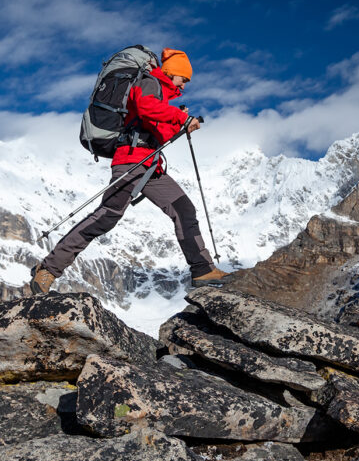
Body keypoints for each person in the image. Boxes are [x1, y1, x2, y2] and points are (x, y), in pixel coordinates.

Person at [30, 47, 227, 294]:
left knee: (184, 209)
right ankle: (48, 269)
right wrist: (179, 117)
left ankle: (203, 270)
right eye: (183, 78)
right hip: (131, 161)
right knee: (106, 216)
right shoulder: (150, 82)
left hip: (150, 164)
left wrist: (180, 124)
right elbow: (145, 107)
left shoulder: (160, 94)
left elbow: (155, 130)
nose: (184, 85)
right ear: (171, 72)